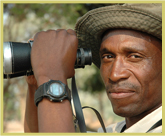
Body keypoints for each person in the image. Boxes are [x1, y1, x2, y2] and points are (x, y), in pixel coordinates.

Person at [24, 3, 162, 133]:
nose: (114, 74)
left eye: (134, 57)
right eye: (108, 57)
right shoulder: (114, 130)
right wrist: (37, 84)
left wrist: (51, 79)